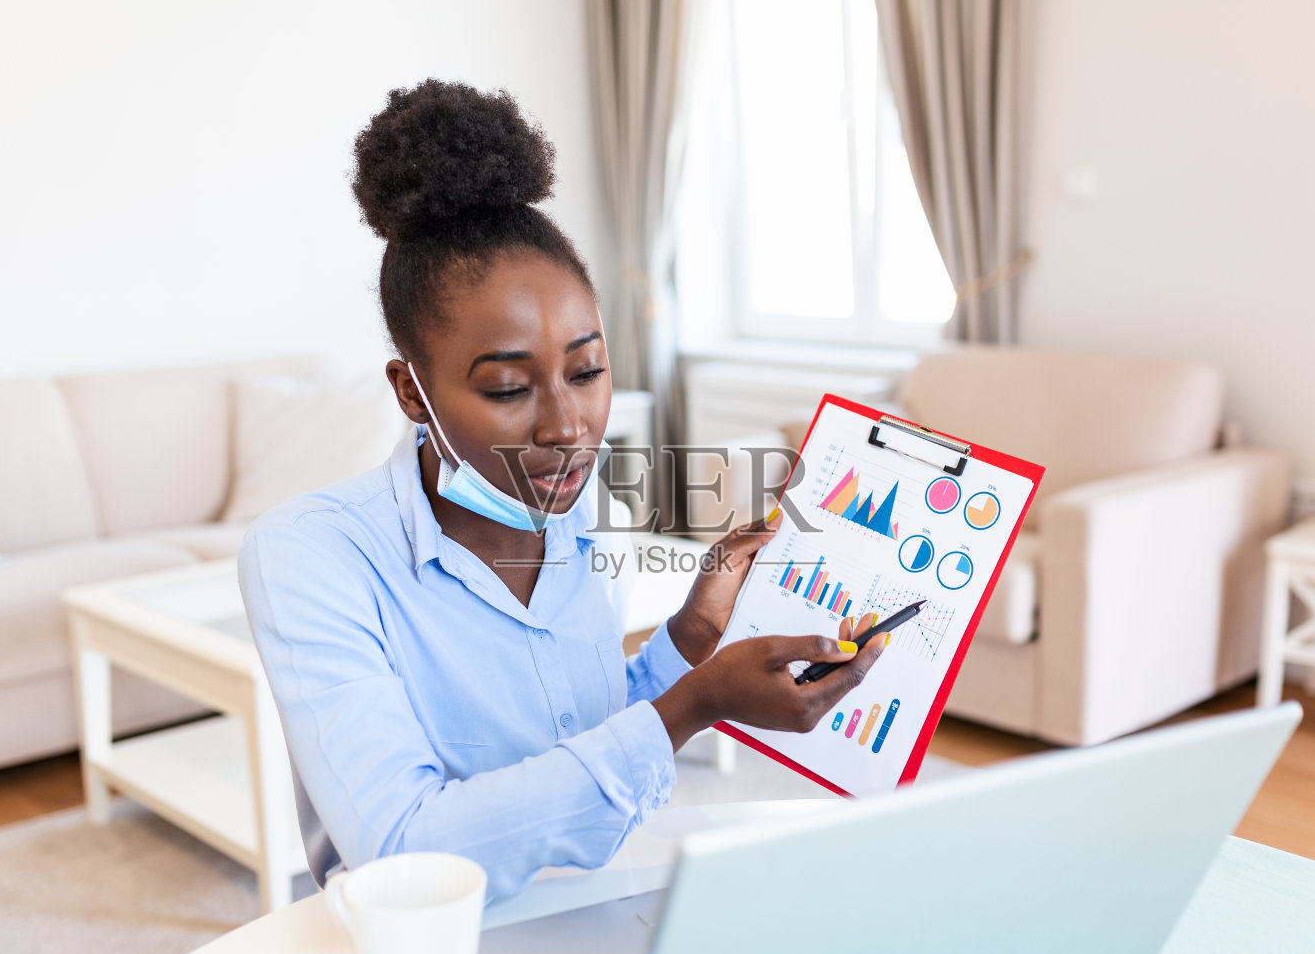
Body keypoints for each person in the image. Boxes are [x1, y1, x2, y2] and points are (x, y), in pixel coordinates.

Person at [238, 78, 888, 901]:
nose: (569, 426)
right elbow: (404, 847)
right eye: (510, 388)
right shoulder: (311, 556)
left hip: (591, 906)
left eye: (586, 370)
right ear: (412, 393)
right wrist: (693, 705)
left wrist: (691, 635)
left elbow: (575, 728)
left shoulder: (585, 508)